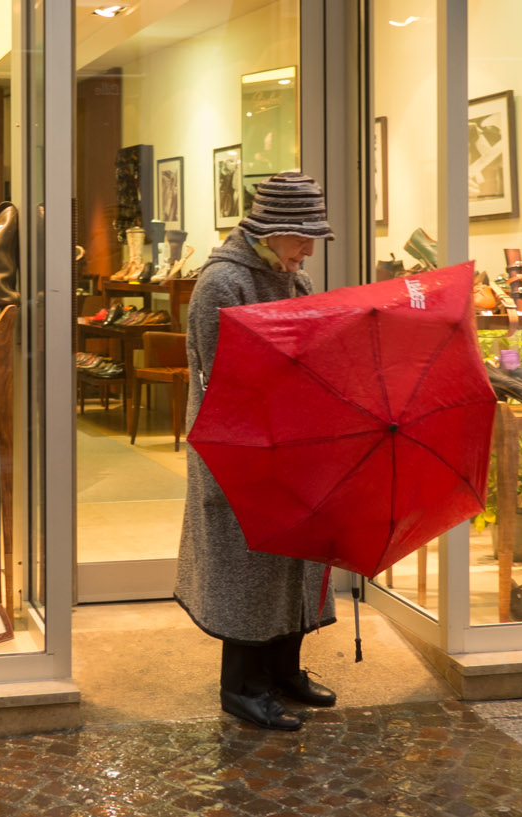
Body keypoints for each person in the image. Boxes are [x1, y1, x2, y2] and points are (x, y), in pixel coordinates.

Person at [175, 171, 338, 731]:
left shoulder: (298, 281)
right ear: (271, 231)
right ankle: (242, 687)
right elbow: (225, 381)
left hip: (291, 436)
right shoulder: (222, 284)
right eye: (302, 237)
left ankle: (284, 671)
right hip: (237, 444)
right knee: (248, 562)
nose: (308, 249)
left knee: (293, 555)